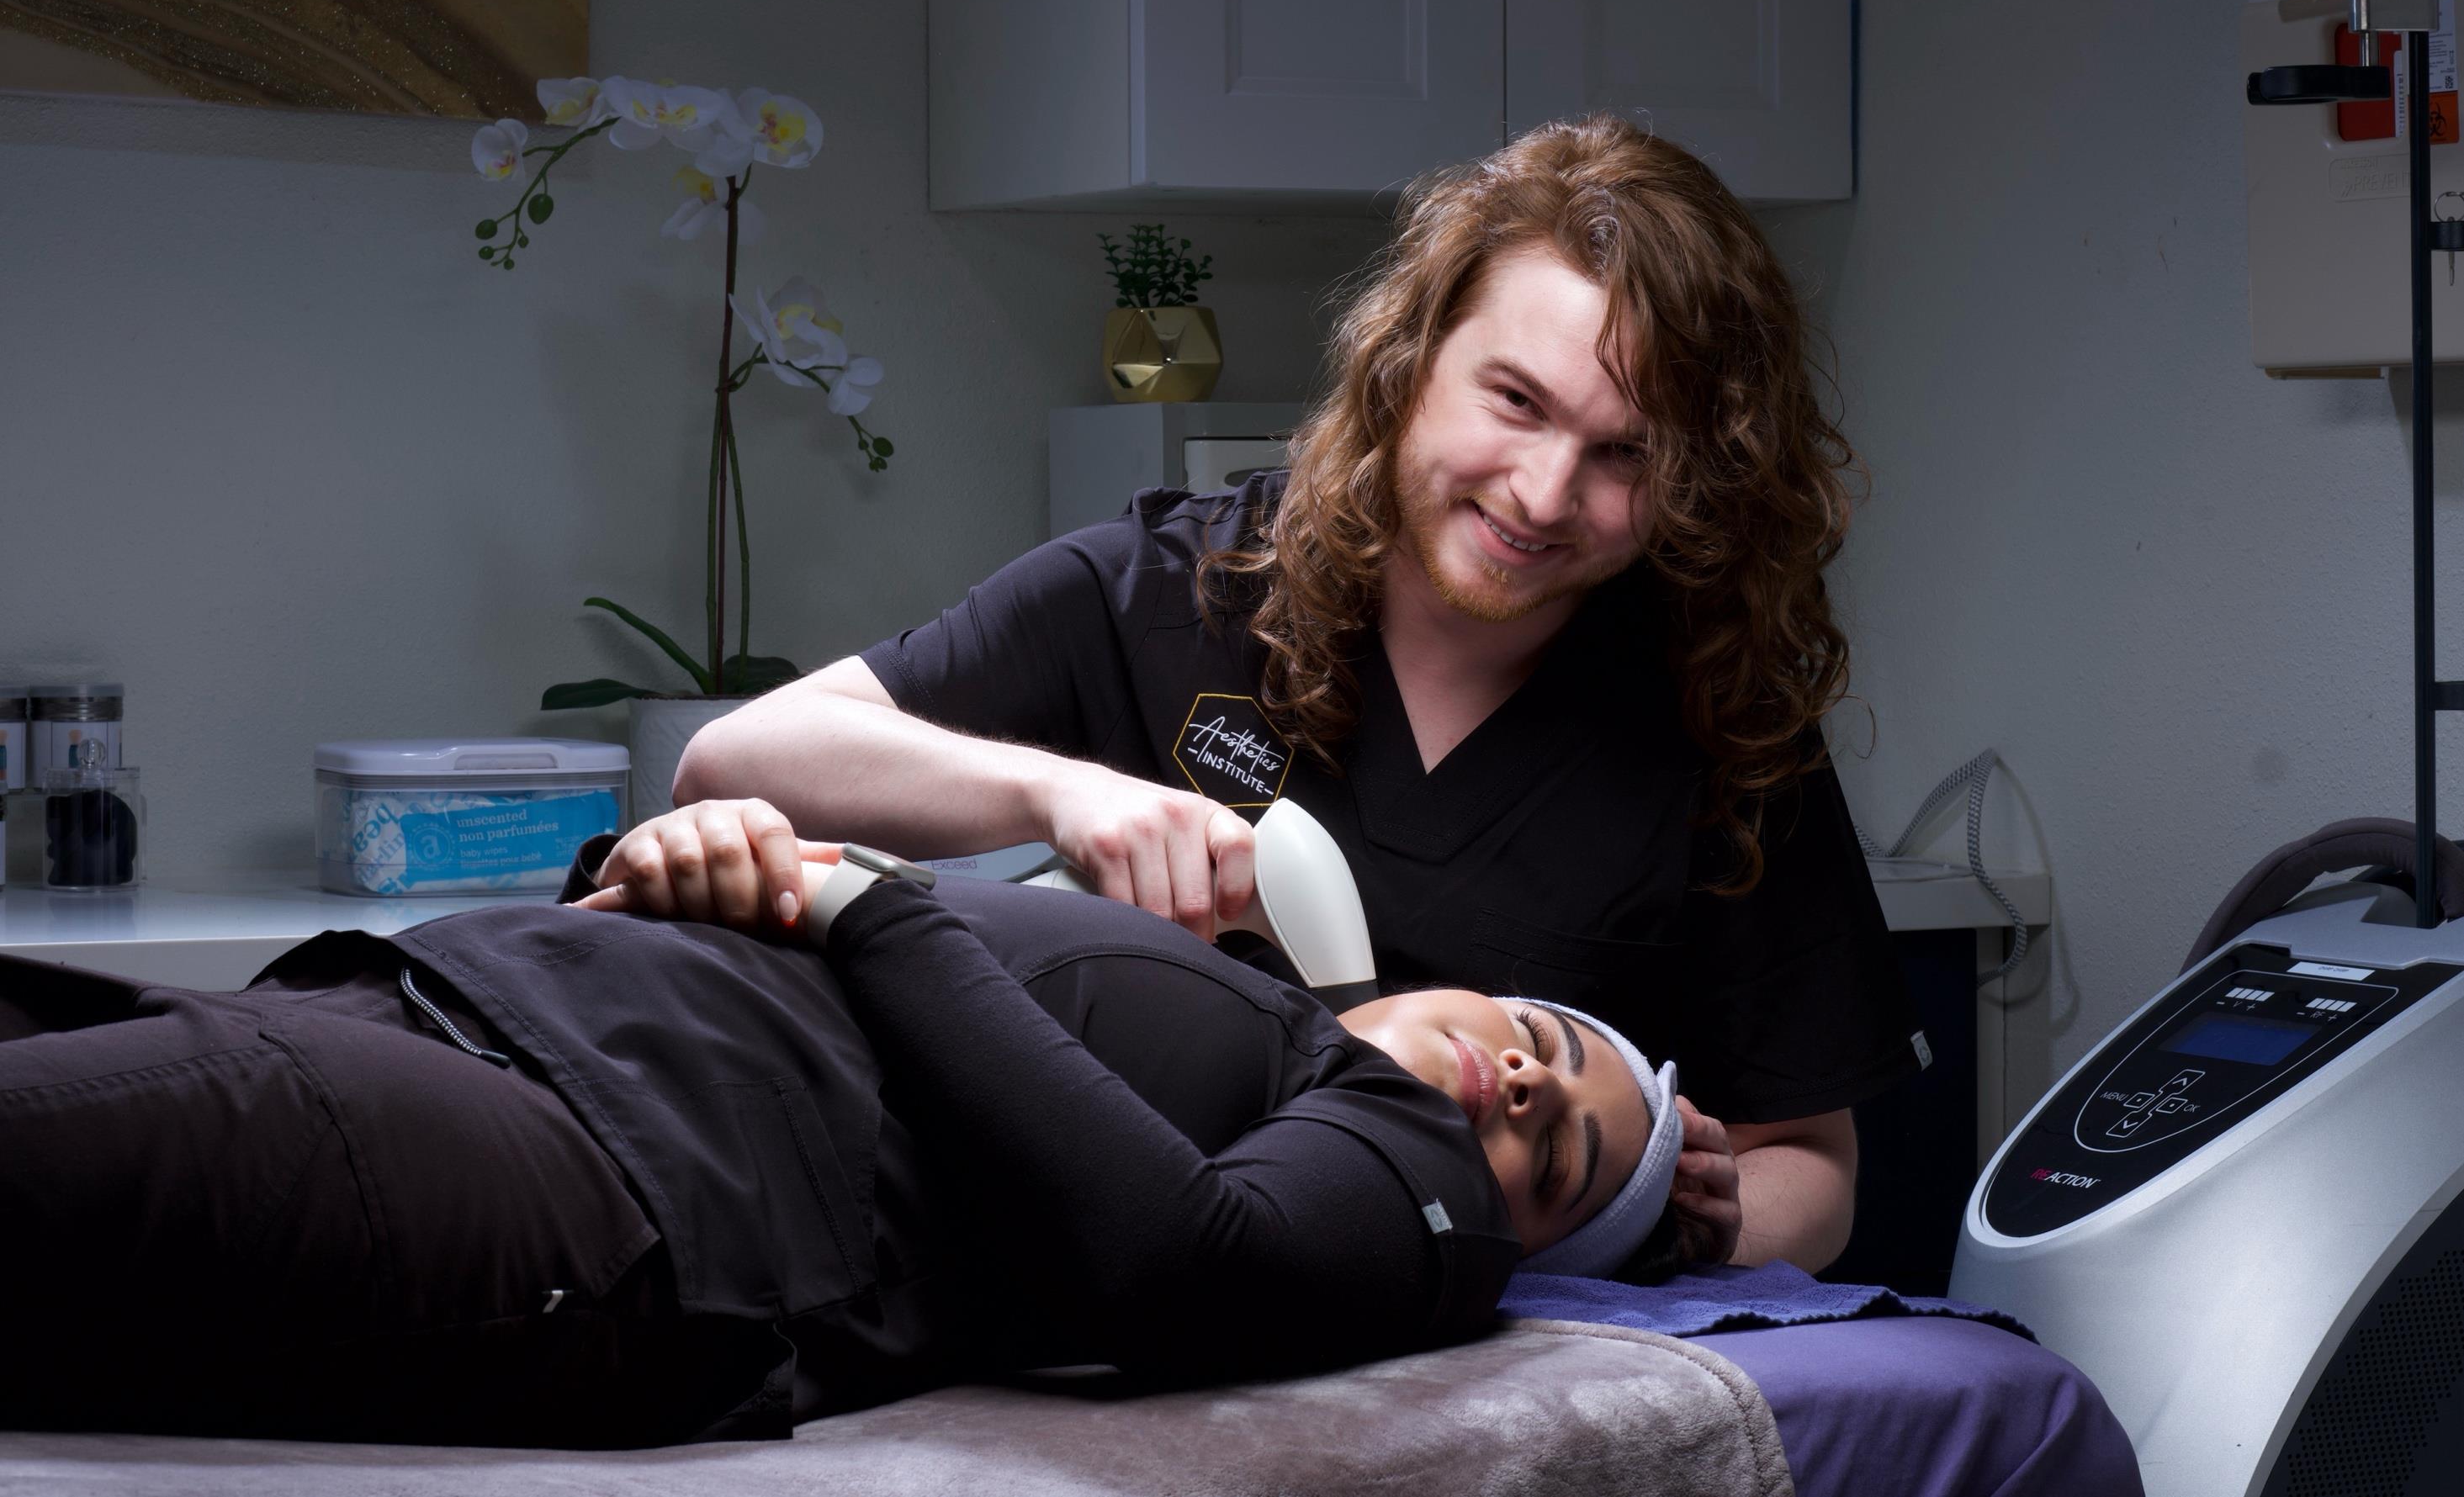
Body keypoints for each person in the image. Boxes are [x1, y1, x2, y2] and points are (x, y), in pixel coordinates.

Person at [670, 114, 1921, 1274]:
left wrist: (1693, 1222)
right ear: (1412, 356)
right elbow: (738, 760)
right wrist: (1061, 795)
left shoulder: (1718, 725)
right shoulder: (1172, 591)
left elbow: (1813, 1169)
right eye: (1515, 402)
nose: (1543, 494)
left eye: (1624, 454)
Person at [0, 810, 1669, 1450]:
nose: (1527, 1095)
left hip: (612, 1165)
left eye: (1564, 1162)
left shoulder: (1418, 1179)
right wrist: (692, 865)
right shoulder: (1264, 1018)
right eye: (1540, 1042)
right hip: (468, 1015)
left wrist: (867, 904)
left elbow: (1183, 1260)